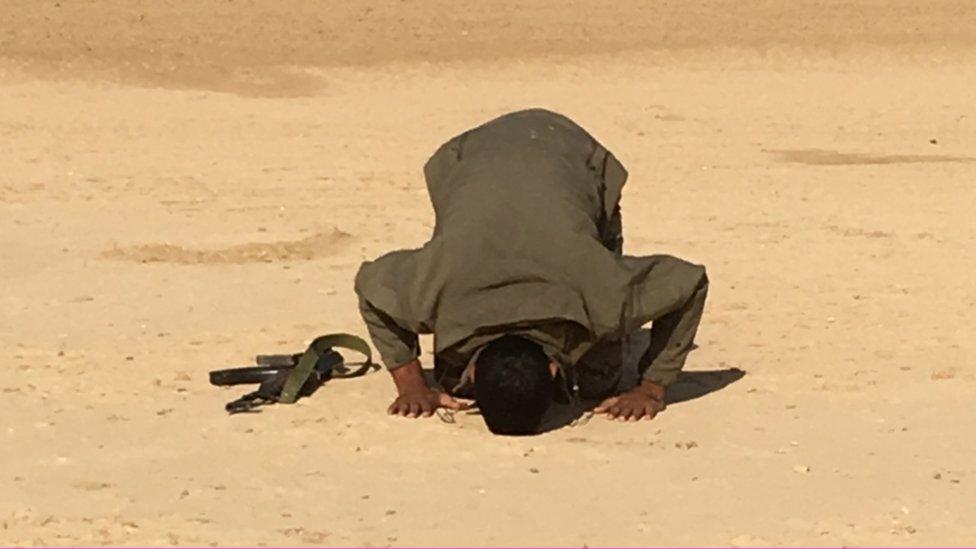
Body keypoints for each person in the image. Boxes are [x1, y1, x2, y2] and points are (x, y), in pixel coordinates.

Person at [354, 109, 708, 435]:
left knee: (599, 382)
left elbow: (690, 282)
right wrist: (412, 385)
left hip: (571, 152)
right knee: (595, 376)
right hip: (470, 159)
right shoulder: (431, 291)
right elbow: (369, 285)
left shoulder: (604, 294)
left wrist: (652, 388)